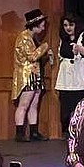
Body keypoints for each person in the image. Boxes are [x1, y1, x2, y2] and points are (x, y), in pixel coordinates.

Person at [11, 9, 54, 142]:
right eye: (41, 25)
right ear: (34, 25)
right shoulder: (24, 38)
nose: (43, 28)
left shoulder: (32, 38)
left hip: (36, 75)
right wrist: (45, 46)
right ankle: (19, 133)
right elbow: (32, 56)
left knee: (34, 104)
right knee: (24, 104)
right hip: (27, 75)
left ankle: (34, 132)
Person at [55, 13, 84, 138]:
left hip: (80, 77)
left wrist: (79, 49)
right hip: (66, 79)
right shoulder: (64, 39)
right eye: (65, 25)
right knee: (66, 108)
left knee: (81, 105)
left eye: (71, 25)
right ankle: (70, 132)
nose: (68, 28)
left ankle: (83, 132)